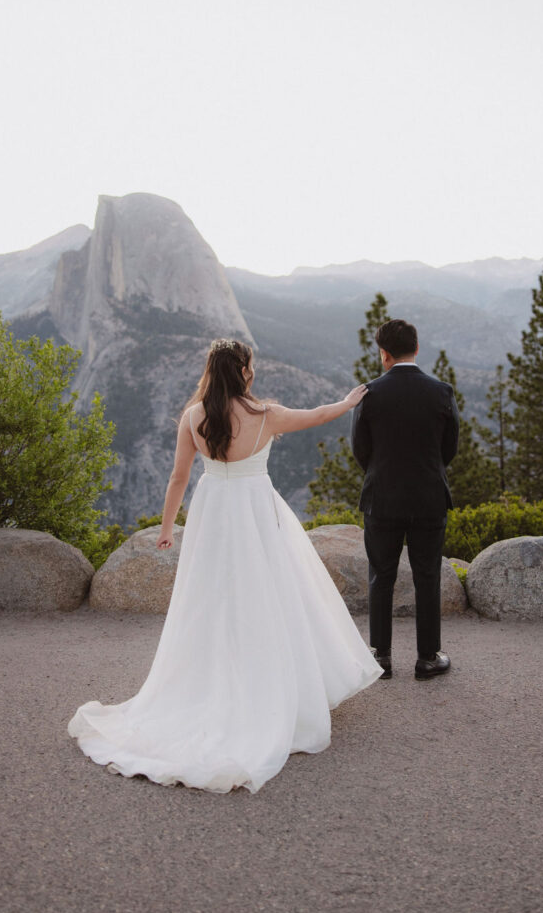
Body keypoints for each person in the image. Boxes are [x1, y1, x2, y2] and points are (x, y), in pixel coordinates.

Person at [68, 338, 382, 793]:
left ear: (210, 371)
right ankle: (273, 691)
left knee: (210, 602)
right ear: (245, 372)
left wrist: (166, 527)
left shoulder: (193, 417)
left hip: (213, 513)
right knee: (272, 597)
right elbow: (316, 416)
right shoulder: (264, 415)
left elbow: (179, 476)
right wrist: (348, 401)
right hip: (256, 512)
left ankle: (209, 685)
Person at [351, 319, 459, 681]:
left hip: (382, 499)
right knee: (427, 575)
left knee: (381, 576)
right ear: (417, 347)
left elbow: (360, 450)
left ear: (384, 354)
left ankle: (380, 657)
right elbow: (450, 449)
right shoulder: (442, 392)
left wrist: (383, 473)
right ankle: (428, 658)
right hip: (429, 498)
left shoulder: (369, 394)